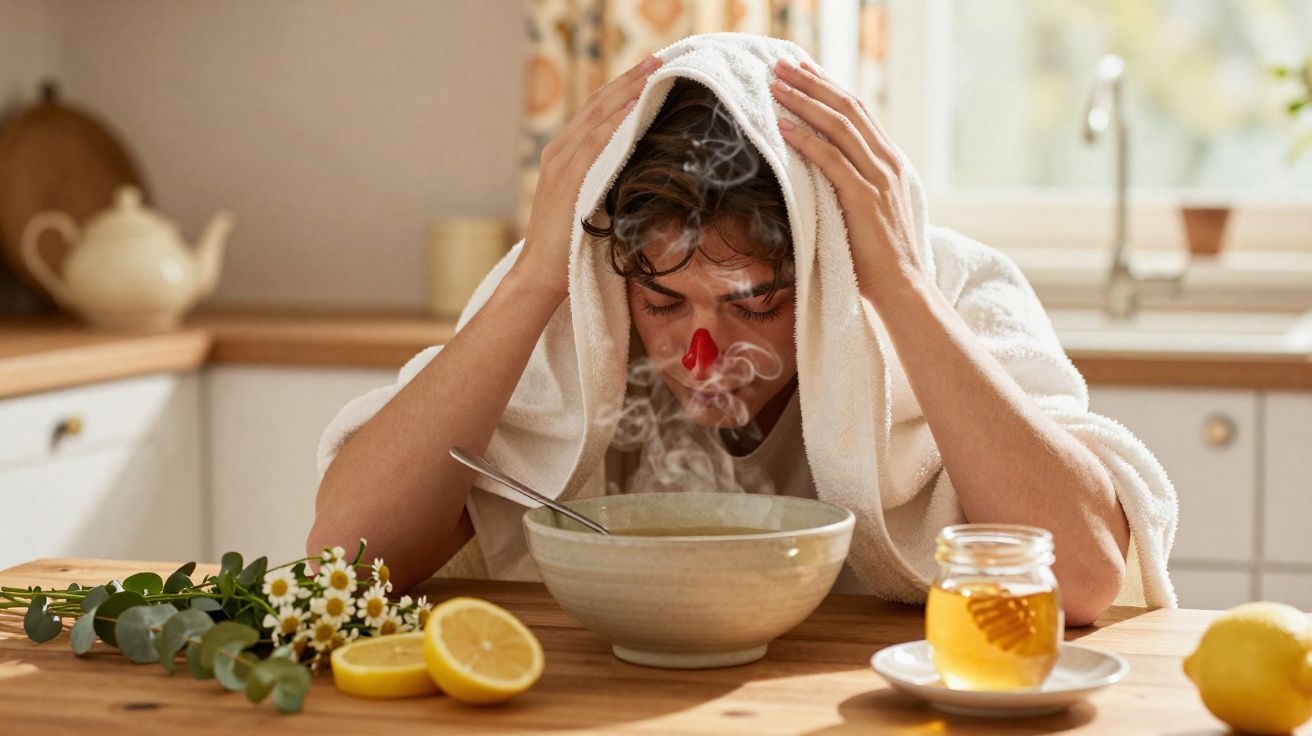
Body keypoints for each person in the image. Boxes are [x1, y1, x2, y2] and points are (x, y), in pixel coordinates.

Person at [310, 39, 1174, 626]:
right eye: (664, 305)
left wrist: (902, 291)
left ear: (830, 262)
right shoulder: (574, 291)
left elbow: (1086, 576)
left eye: (754, 305)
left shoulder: (948, 286)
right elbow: (346, 556)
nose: (702, 358)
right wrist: (535, 271)